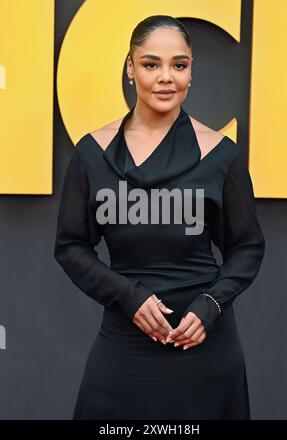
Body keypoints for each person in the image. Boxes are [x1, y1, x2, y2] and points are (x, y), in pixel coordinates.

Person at [53, 15, 265, 420]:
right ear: (130, 69)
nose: (166, 77)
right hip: (124, 343)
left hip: (205, 344)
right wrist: (128, 295)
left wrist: (210, 305)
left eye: (178, 65)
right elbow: (70, 246)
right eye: (151, 64)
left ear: (190, 72)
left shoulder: (222, 154)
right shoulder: (91, 153)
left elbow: (247, 247)